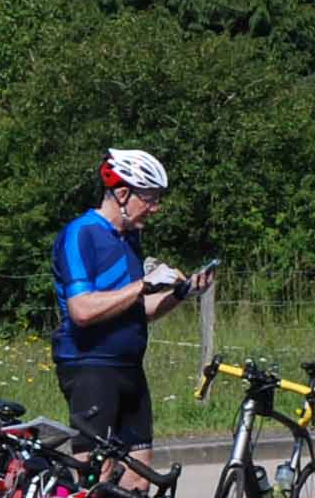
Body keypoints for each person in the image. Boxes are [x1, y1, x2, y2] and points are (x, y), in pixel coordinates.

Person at [48, 148, 211, 456]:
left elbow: (139, 310)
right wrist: (143, 285)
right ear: (122, 193)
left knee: (140, 474)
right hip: (90, 365)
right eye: (149, 199)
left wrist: (180, 294)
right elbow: (81, 310)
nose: (155, 208)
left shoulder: (129, 238)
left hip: (130, 366)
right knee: (97, 472)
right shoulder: (81, 234)